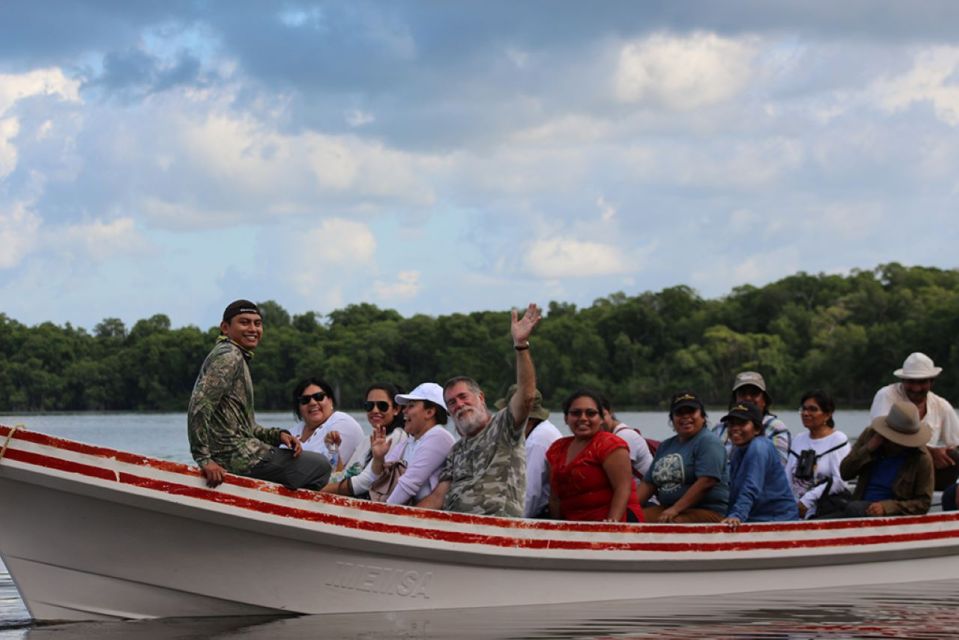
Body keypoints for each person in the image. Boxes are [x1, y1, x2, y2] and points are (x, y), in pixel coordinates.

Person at [188, 300, 331, 490]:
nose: (253, 329)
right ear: (225, 328)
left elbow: (246, 428)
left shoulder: (236, 356)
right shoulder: (229, 356)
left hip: (240, 451)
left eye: (257, 323)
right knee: (319, 466)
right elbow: (199, 405)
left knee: (306, 462)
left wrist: (277, 435)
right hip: (237, 457)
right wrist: (204, 459)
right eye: (244, 322)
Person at [417, 303, 542, 517]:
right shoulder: (456, 450)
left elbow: (527, 395)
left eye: (463, 397)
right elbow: (438, 497)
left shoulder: (504, 426)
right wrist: (403, 517)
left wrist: (521, 345)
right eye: (452, 403)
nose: (459, 405)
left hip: (495, 528)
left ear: (481, 398)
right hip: (453, 529)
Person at [546, 389, 643, 522]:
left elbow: (623, 489)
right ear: (566, 418)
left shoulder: (610, 444)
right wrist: (554, 528)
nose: (583, 418)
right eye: (576, 413)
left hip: (614, 521)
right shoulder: (557, 448)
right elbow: (554, 496)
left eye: (591, 413)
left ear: (602, 418)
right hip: (573, 523)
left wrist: (611, 525)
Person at [869, 352, 959, 490]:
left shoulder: (941, 405)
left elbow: (956, 443)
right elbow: (886, 438)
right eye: (911, 382)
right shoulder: (887, 395)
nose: (916, 388)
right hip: (890, 466)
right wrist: (930, 452)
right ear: (903, 380)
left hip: (922, 471)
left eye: (922, 382)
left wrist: (944, 454)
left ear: (932, 382)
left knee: (953, 456)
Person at [639, 391, 729, 523]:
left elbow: (707, 481)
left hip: (706, 511)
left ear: (703, 416)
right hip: (668, 508)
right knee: (632, 517)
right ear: (672, 419)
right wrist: (627, 508)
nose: (686, 417)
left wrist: (675, 509)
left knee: (671, 522)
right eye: (680, 413)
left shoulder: (708, 441)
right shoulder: (666, 446)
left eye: (691, 412)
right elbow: (649, 483)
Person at [837, 401, 934, 517]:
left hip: (892, 515)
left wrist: (887, 507)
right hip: (859, 503)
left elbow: (924, 503)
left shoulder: (921, 458)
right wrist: (868, 449)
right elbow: (845, 472)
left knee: (854, 509)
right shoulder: (870, 436)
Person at [369, 382, 455, 505]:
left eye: (411, 406)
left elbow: (409, 483)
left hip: (427, 516)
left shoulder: (439, 436)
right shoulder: (409, 441)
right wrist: (378, 458)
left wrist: (383, 512)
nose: (404, 411)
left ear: (429, 412)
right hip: (407, 511)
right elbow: (379, 478)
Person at [720, 402, 799, 528]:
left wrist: (737, 515)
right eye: (731, 424)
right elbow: (734, 491)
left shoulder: (759, 447)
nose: (735, 428)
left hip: (778, 520)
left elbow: (751, 486)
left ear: (757, 429)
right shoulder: (738, 450)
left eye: (742, 423)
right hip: (755, 518)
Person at [323, 382, 409, 497]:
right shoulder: (366, 441)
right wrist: (333, 449)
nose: (375, 410)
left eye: (382, 406)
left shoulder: (397, 436)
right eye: (369, 406)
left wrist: (319, 491)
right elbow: (342, 476)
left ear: (396, 409)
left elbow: (365, 482)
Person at [494, 384, 563, 518]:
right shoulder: (538, 431)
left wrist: (510, 525)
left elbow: (530, 494)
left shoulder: (537, 440)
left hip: (542, 514)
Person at [785, 390, 851, 519]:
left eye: (813, 409)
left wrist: (807, 500)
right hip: (794, 509)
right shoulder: (798, 439)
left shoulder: (838, 440)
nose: (805, 413)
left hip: (824, 509)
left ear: (827, 415)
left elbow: (840, 480)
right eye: (803, 409)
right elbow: (787, 476)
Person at [713, 371, 791, 466]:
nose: (748, 398)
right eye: (742, 393)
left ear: (764, 400)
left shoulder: (775, 427)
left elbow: (778, 466)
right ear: (735, 400)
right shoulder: (720, 427)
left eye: (754, 393)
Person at [287, 377, 365, 472]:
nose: (312, 402)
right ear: (298, 407)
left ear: (330, 400)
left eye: (319, 397)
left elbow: (332, 470)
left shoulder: (342, 423)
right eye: (305, 400)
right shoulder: (296, 430)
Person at [599, 396, 653, 481]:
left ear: (611, 412)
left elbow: (618, 476)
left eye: (602, 415)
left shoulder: (624, 436)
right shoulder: (613, 435)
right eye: (593, 415)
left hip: (642, 493)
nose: (599, 420)